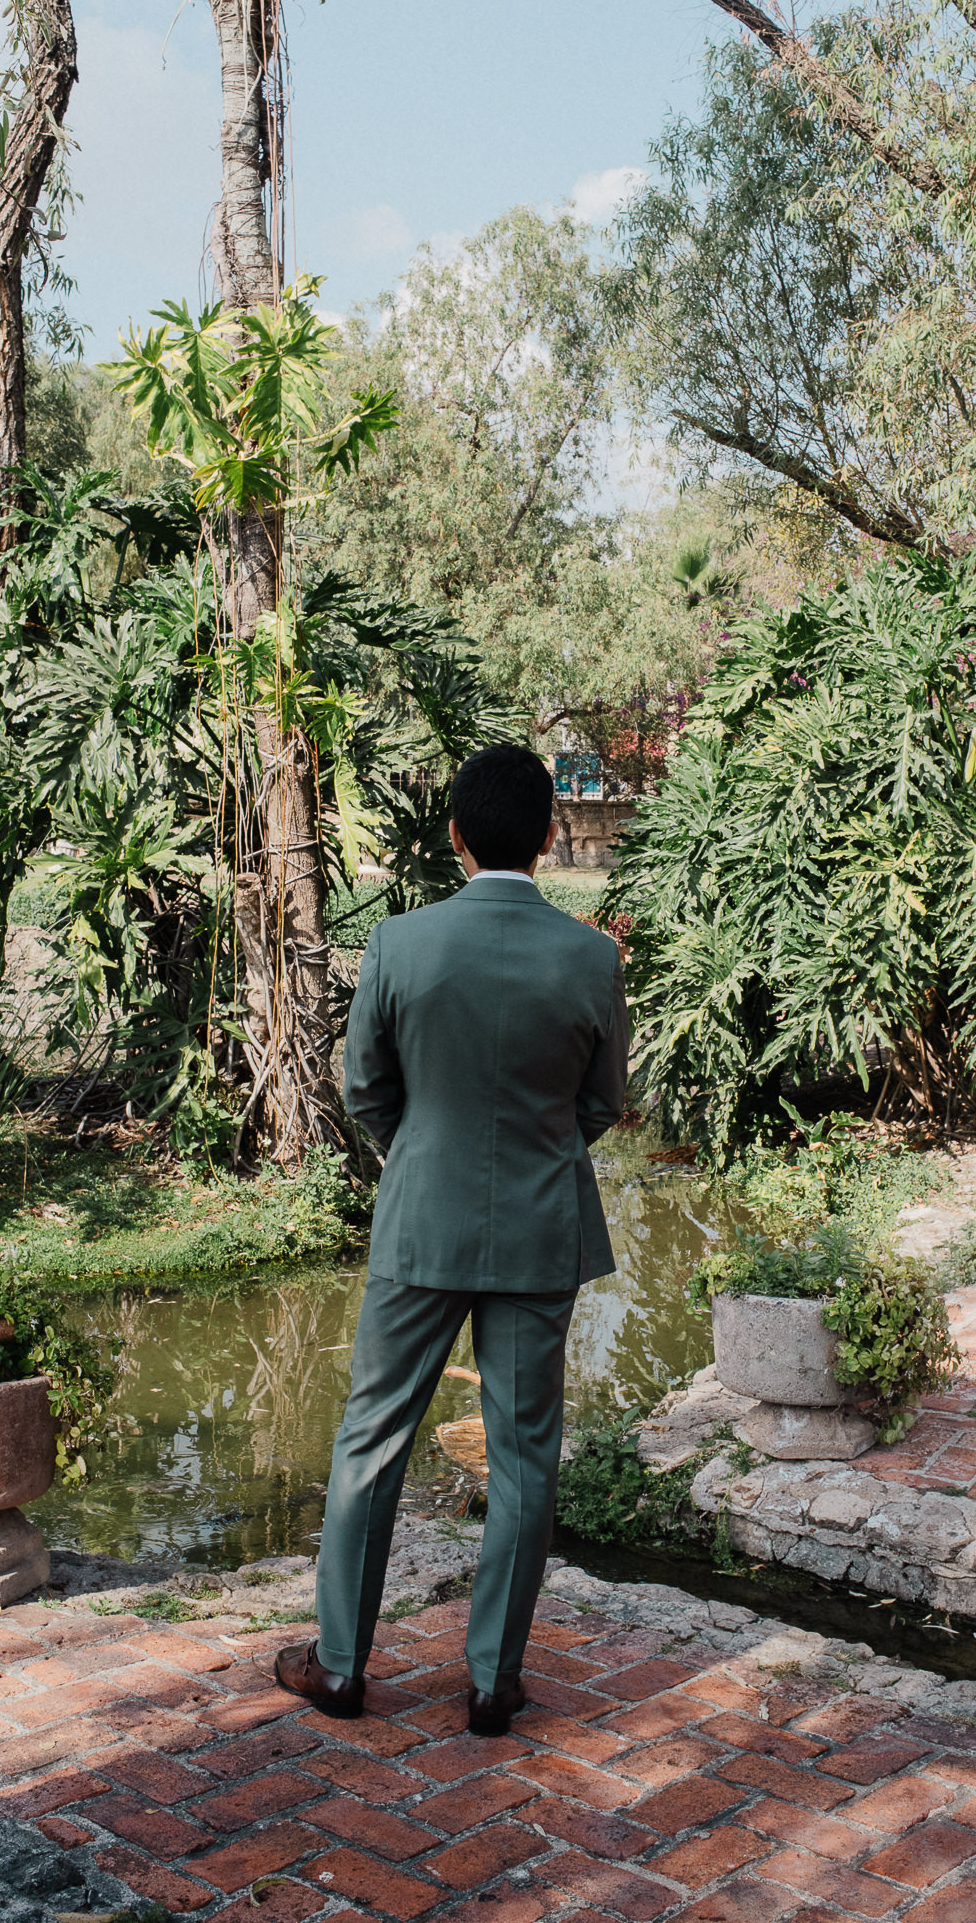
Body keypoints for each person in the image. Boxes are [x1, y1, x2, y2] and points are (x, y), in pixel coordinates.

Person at [276, 743, 629, 1736]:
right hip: (539, 1228)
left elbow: (363, 1088)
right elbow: (602, 1102)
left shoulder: (399, 942)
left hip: (420, 1221)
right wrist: (533, 1154)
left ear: (454, 835)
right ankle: (490, 1684)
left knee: (370, 1437)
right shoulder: (591, 955)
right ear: (549, 834)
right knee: (523, 1455)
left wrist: (424, 1152)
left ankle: (339, 1666)